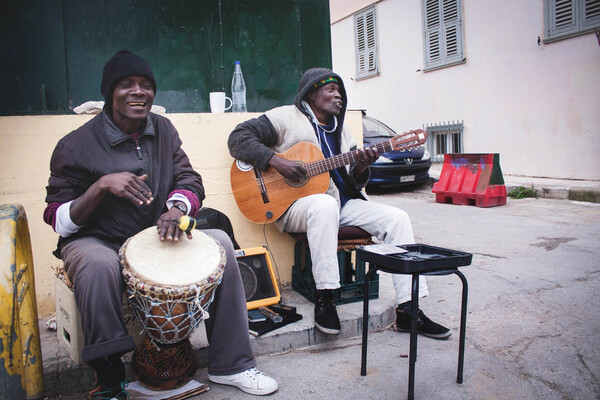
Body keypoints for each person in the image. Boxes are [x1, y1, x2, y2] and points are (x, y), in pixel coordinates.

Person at [44, 50, 278, 399]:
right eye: (127, 84)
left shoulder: (163, 129)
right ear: (111, 91)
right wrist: (101, 186)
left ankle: (233, 365)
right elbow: (57, 217)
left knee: (221, 244)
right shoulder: (76, 144)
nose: (138, 92)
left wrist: (175, 209)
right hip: (98, 239)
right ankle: (109, 380)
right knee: (97, 265)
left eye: (146, 85)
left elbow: (189, 180)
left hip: (156, 233)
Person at [228, 68, 451, 339]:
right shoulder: (284, 117)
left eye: (341, 92)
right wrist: (278, 162)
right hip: (294, 207)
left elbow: (354, 183)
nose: (339, 97)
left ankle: (408, 308)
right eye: (331, 90)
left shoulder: (343, 132)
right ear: (311, 92)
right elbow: (238, 138)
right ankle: (326, 297)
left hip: (341, 204)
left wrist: (361, 167)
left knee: (397, 217)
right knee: (323, 205)